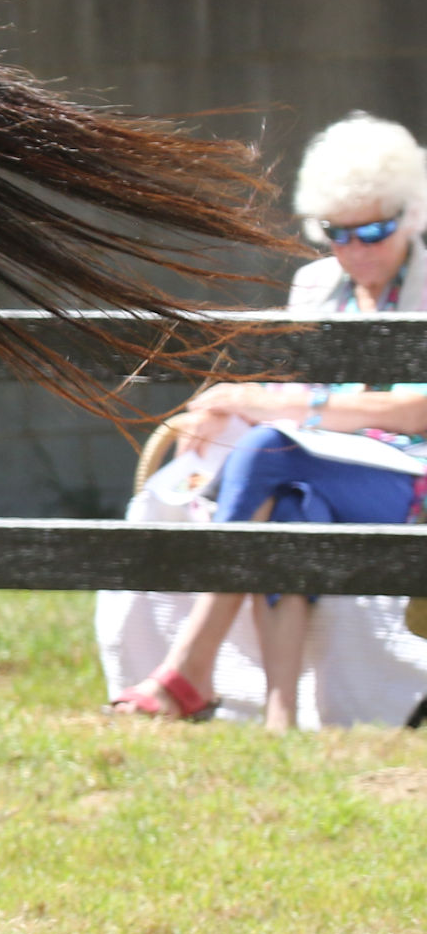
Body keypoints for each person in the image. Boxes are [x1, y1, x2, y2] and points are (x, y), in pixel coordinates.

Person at [102, 113, 427, 729]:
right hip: (318, 465)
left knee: (265, 450)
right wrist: (227, 401)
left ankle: (188, 669)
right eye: (337, 233)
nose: (355, 249)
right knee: (290, 508)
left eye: (374, 231)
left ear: (410, 215)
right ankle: (281, 719)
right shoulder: (315, 284)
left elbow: (417, 411)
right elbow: (287, 387)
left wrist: (279, 407)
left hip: (411, 479)